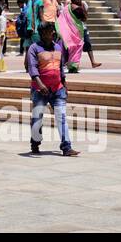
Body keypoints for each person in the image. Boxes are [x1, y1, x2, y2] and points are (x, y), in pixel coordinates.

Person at [27, 23, 78, 157]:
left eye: (53, 31)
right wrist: (40, 84)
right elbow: (32, 69)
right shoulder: (34, 48)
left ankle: (66, 147)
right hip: (40, 90)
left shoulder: (57, 47)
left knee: (61, 117)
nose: (52, 34)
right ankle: (35, 142)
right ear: (42, 33)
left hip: (57, 89)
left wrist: (64, 83)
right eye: (50, 32)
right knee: (37, 118)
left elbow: (60, 68)